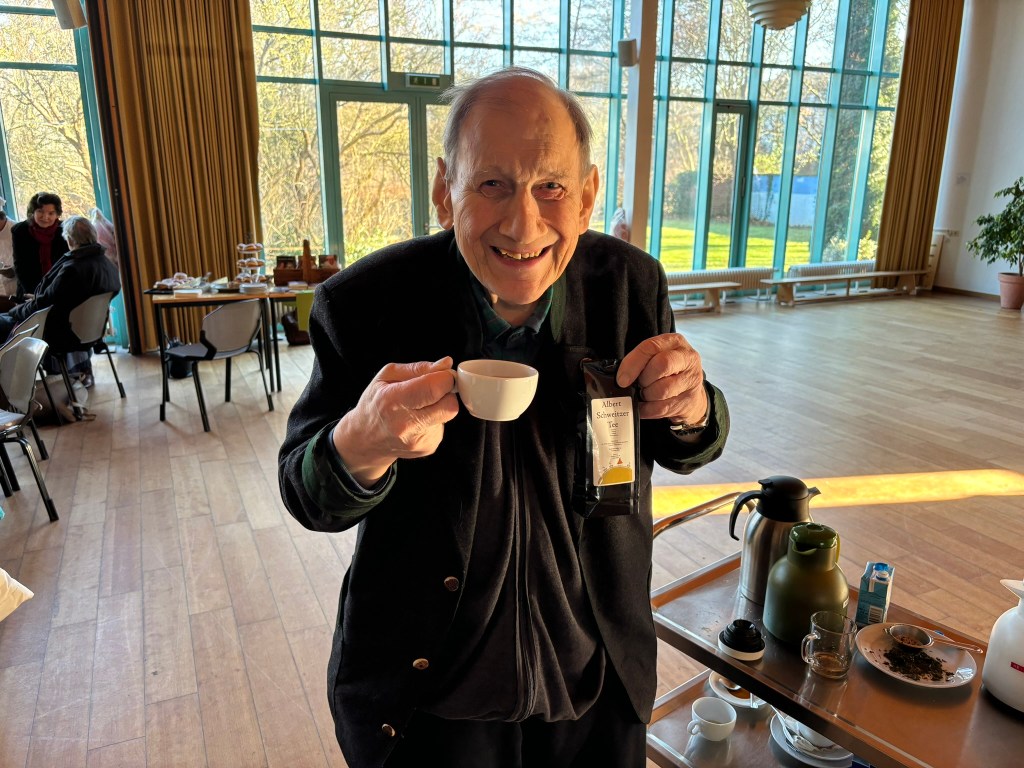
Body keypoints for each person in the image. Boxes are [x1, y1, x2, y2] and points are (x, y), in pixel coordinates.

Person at [278, 67, 729, 768]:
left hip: (594, 686)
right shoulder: (367, 303)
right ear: (444, 190)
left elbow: (689, 441)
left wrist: (691, 405)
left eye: (551, 186)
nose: (523, 224)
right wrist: (360, 445)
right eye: (492, 184)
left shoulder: (629, 286)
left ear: (587, 196)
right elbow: (307, 493)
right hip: (429, 705)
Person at [0, 215, 120, 356]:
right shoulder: (106, 263)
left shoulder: (73, 269)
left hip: (60, 332)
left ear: (69, 240)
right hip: (89, 331)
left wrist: (15, 311)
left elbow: (44, 303)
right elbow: (64, 297)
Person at [11, 191, 69, 302]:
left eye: (51, 213)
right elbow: (21, 266)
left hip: (59, 288)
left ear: (57, 214)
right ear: (32, 212)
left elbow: (68, 264)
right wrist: (36, 296)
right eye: (40, 211)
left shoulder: (65, 229)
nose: (45, 217)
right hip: (29, 289)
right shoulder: (20, 231)